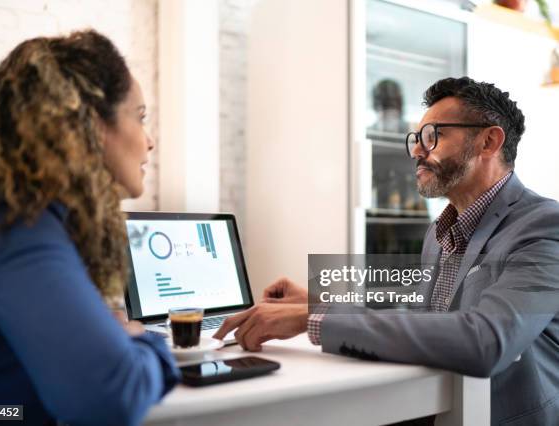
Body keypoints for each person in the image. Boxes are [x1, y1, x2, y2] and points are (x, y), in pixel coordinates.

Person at [215, 77, 559, 425]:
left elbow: (487, 341)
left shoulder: (544, 226)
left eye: (433, 136)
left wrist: (312, 318)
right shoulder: (439, 232)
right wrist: (318, 303)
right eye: (417, 138)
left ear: (488, 141)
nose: (416, 151)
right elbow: (424, 324)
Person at [0, 30, 179, 426]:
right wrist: (146, 341)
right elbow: (112, 396)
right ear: (91, 123)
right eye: (139, 118)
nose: (149, 141)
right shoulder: (15, 228)